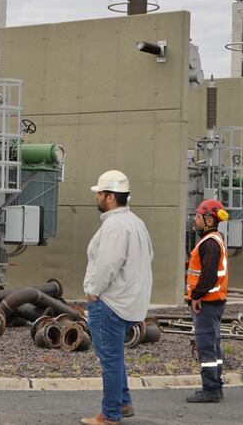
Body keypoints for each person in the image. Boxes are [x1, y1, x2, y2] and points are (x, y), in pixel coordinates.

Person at [81, 170, 154, 425]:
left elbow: (107, 265)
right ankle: (123, 403)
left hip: (110, 302)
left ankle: (109, 414)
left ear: (110, 197)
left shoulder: (113, 226)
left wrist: (93, 292)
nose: (97, 197)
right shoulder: (136, 223)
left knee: (109, 359)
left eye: (100, 193)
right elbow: (149, 256)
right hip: (130, 301)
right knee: (115, 356)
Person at [186, 198, 230, 403]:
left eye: (198, 216)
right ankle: (215, 386)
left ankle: (211, 389)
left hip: (207, 303)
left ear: (209, 219)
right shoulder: (213, 240)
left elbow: (209, 276)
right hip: (213, 301)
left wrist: (196, 296)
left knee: (206, 346)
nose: (194, 219)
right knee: (214, 344)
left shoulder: (210, 243)